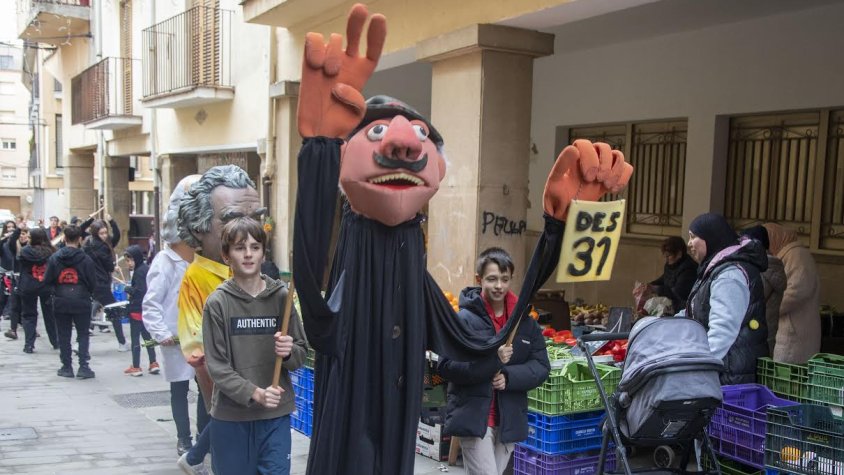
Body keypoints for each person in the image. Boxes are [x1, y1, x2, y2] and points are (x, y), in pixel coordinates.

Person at [202, 217, 307, 475]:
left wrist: (289, 351)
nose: (248, 254)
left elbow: (301, 353)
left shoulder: (281, 297)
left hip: (275, 418)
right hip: (231, 419)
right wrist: (255, 393)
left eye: (255, 247)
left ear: (263, 253)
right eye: (239, 248)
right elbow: (217, 367)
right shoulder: (218, 303)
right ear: (227, 256)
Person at [176, 165, 263, 475]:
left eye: (256, 217)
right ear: (200, 227)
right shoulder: (198, 277)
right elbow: (196, 346)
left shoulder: (251, 272)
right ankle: (198, 457)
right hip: (227, 390)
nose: (249, 228)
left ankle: (196, 457)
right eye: (232, 219)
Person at [438, 248, 550, 475]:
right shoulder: (463, 321)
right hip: (474, 418)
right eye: (492, 279)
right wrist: (492, 362)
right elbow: (445, 367)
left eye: (504, 279)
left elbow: (541, 366)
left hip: (509, 418)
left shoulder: (524, 322)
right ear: (479, 280)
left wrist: (509, 377)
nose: (499, 285)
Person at [143, 175, 200, 456]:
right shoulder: (165, 262)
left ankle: (203, 436)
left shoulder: (202, 260)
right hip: (176, 339)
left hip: (200, 334)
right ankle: (183, 438)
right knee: (179, 389)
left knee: (205, 385)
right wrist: (162, 333)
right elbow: (151, 302)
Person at [679, 213, 768, 384]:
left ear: (710, 238)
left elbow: (723, 330)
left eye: (693, 237)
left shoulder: (729, 275)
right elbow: (699, 309)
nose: (689, 243)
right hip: (726, 370)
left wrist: (699, 371)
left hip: (730, 375)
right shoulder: (715, 268)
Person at [43, 225, 98, 379]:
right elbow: (93, 282)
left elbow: (47, 280)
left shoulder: (55, 258)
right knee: (83, 334)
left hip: (61, 299)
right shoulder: (86, 259)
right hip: (81, 299)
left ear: (64, 238)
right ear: (80, 239)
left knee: (64, 334)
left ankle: (67, 366)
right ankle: (83, 365)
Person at [763, 223, 821, 364]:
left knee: (788, 376)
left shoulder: (797, 255)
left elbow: (797, 292)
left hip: (794, 331)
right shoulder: (787, 255)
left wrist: (770, 308)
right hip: (789, 329)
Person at [741, 226, 787, 356]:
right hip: (766, 330)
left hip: (753, 331)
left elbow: (748, 300)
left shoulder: (760, 268)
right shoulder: (772, 267)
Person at [83, 219, 128, 349]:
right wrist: (113, 267)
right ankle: (122, 342)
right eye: (101, 233)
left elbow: (116, 238)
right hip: (101, 283)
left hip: (92, 282)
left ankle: (79, 342)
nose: (104, 236)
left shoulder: (88, 244)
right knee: (114, 310)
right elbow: (108, 266)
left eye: (105, 233)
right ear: (96, 233)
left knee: (92, 310)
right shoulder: (102, 247)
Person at [16, 227, 57, 353]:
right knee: (50, 315)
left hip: (29, 285)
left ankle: (29, 344)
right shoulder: (51, 251)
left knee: (29, 315)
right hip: (46, 286)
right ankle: (55, 341)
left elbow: (19, 261)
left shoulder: (25, 251)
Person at [122, 245, 159, 376]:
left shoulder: (138, 272)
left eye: (129, 260)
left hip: (137, 309)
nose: (128, 263)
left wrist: (128, 289)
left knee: (135, 339)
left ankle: (136, 366)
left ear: (135, 259)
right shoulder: (145, 269)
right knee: (148, 338)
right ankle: (153, 362)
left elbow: (140, 291)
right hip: (146, 309)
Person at [650, 236, 697, 313]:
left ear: (679, 254)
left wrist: (656, 289)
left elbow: (678, 292)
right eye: (665, 256)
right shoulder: (671, 264)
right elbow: (665, 278)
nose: (667, 259)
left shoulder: (689, 269)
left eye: (669, 256)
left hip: (682, 310)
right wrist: (649, 285)